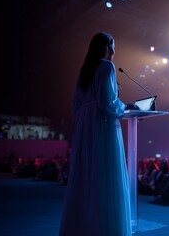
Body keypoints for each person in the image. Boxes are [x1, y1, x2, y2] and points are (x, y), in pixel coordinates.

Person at [59, 32, 131, 236]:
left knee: (86, 173)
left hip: (84, 127)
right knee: (103, 174)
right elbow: (107, 103)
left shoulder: (84, 70)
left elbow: (75, 105)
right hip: (100, 125)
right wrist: (124, 107)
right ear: (107, 47)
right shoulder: (106, 66)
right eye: (113, 46)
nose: (115, 51)